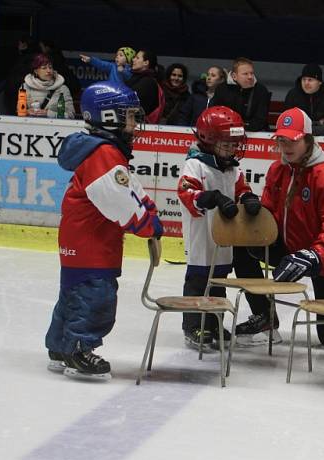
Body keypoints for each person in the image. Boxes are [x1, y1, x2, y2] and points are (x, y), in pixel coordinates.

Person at [45, 81, 163, 379]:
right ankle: (78, 350)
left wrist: (148, 208)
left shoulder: (105, 152)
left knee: (74, 293)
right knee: (96, 296)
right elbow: (120, 201)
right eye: (131, 116)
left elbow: (130, 189)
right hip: (92, 242)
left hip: (82, 239)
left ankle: (61, 346)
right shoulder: (104, 155)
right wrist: (147, 223)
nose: (136, 124)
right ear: (110, 117)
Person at [230, 108, 324, 349]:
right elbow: (271, 216)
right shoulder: (278, 170)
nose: (286, 146)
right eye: (281, 140)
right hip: (288, 249)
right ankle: (265, 317)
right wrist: (255, 209)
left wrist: (313, 256)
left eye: (292, 140)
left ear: (307, 139)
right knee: (242, 247)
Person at [176, 106, 261, 349]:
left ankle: (214, 321)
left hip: (224, 236)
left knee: (219, 280)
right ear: (209, 140)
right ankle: (193, 325)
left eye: (235, 143)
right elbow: (186, 192)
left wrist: (248, 199)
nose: (233, 149)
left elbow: (241, 188)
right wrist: (211, 198)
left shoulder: (233, 167)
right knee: (198, 280)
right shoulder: (195, 164)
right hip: (202, 234)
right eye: (227, 144)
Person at [210, 57, 270, 131]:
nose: (250, 77)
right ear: (234, 76)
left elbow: (260, 119)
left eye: (251, 73)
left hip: (254, 132)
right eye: (245, 74)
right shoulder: (221, 89)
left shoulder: (261, 90)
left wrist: (239, 129)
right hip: (225, 132)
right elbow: (216, 115)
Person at [283, 63, 324, 136]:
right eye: (304, 79)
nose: (306, 83)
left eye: (310, 80)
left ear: (319, 82)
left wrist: (301, 127)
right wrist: (318, 124)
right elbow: (287, 123)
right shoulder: (293, 95)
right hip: (296, 139)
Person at [23, 53, 75, 118]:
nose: (48, 71)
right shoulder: (25, 87)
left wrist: (48, 113)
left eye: (50, 67)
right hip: (31, 127)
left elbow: (71, 115)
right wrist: (27, 112)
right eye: (44, 68)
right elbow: (18, 111)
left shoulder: (62, 89)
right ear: (36, 71)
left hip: (54, 127)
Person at [125, 49, 162, 123]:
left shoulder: (148, 82)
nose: (133, 59)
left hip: (138, 129)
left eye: (137, 58)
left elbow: (131, 104)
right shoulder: (135, 78)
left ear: (146, 63)